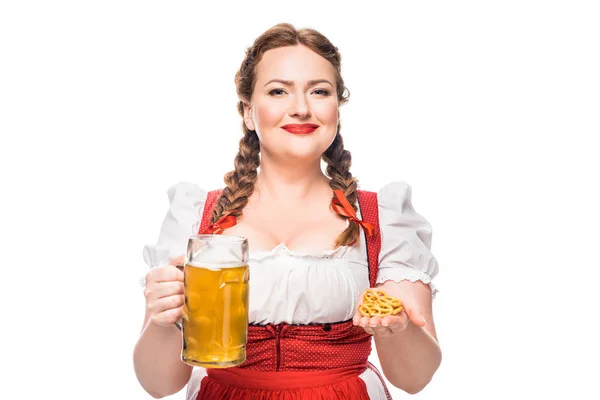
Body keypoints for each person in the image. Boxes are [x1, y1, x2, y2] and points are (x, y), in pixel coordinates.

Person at [134, 23, 441, 399]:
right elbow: (158, 385)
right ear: (248, 112)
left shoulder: (381, 217)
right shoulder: (198, 216)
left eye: (319, 91)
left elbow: (414, 379)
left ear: (336, 109)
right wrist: (163, 321)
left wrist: (399, 327)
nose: (300, 108)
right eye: (278, 91)